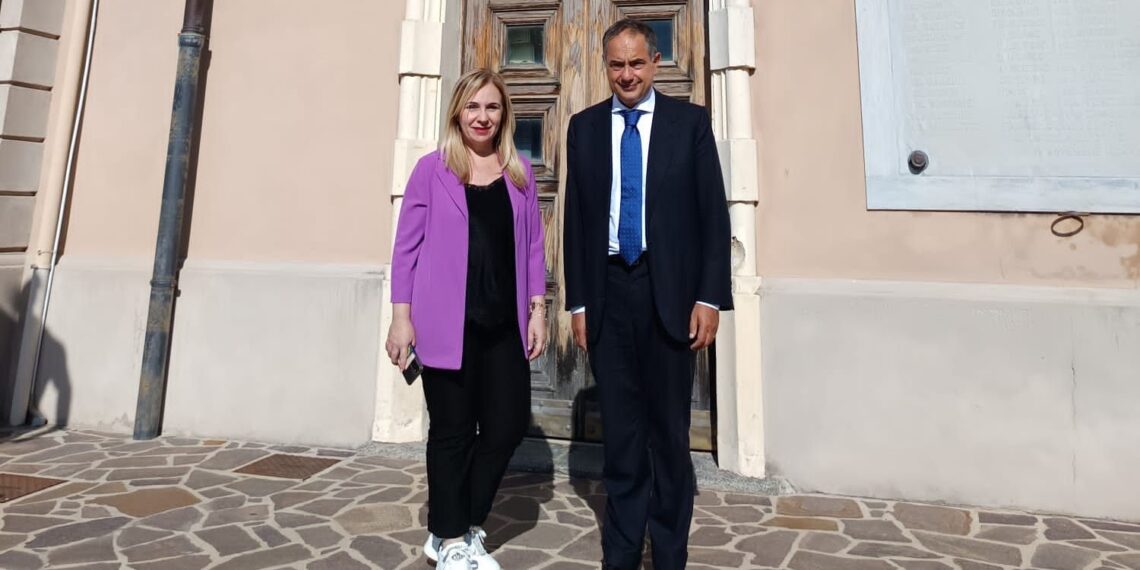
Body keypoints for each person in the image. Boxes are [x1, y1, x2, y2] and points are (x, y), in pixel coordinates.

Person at [562, 19, 733, 570]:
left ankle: (669, 553)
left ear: (655, 62)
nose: (627, 74)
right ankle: (621, 550)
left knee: (668, 433)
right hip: (610, 291)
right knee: (622, 433)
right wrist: (580, 303)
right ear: (605, 66)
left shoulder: (690, 125)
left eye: (637, 63)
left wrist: (709, 297)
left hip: (671, 296)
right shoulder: (584, 127)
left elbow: (713, 216)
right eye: (617, 64)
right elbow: (577, 220)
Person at [386, 68, 547, 570]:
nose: (482, 117)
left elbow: (535, 247)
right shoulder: (432, 170)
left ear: (504, 115)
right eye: (474, 107)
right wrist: (400, 318)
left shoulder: (519, 172)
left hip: (504, 326)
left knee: (506, 425)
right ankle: (451, 536)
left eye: (492, 107)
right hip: (444, 324)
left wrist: (538, 308)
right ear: (458, 111)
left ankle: (460, 522)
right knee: (452, 432)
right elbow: (406, 249)